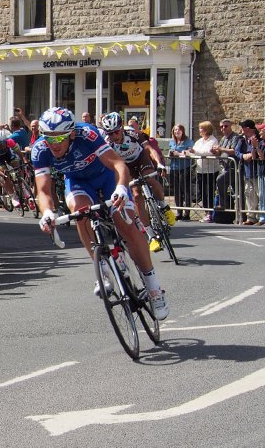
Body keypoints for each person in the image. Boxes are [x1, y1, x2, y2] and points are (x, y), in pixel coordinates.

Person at [33, 107, 169, 320]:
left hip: (108, 176)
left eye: (59, 137)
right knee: (79, 212)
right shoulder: (40, 149)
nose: (54, 144)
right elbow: (43, 189)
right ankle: (103, 269)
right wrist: (47, 212)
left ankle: (153, 287)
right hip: (78, 182)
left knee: (126, 223)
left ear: (71, 133)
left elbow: (118, 164)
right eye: (49, 138)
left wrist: (122, 188)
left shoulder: (87, 134)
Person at [99, 111, 174, 252]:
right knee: (136, 195)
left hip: (140, 159)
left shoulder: (133, 134)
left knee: (150, 179)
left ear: (121, 128)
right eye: (110, 133)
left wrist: (160, 164)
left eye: (116, 132)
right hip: (126, 166)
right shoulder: (108, 144)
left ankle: (164, 207)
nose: (114, 136)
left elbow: (149, 149)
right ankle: (151, 236)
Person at [188, 121, 220, 222]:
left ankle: (210, 213)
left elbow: (208, 152)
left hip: (210, 171)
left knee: (209, 192)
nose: (199, 130)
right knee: (202, 192)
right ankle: (206, 212)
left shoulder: (213, 140)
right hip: (200, 170)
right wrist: (189, 152)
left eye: (201, 128)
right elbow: (193, 151)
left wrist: (194, 152)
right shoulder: (200, 141)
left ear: (206, 130)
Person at [210, 119, 243, 214]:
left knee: (222, 181)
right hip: (225, 167)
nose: (223, 128)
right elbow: (220, 152)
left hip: (234, 167)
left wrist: (220, 149)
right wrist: (215, 152)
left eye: (226, 126)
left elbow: (234, 151)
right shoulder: (223, 138)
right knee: (235, 191)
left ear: (231, 126)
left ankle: (238, 211)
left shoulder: (235, 137)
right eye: (221, 126)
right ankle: (231, 210)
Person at [233, 120, 262, 225]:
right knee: (249, 194)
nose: (241, 129)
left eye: (242, 127)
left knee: (259, 194)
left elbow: (259, 150)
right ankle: (251, 217)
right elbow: (236, 151)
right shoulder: (241, 139)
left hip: (258, 171)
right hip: (247, 171)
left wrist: (250, 154)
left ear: (247, 128)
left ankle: (261, 216)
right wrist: (242, 156)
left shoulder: (257, 138)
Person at [0, 128, 25, 208]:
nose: (2, 145)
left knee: (17, 164)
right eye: (0, 143)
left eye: (3, 142)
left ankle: (23, 186)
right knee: (6, 175)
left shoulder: (9, 141)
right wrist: (3, 175)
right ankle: (13, 196)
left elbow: (18, 152)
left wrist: (25, 160)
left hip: (8, 155)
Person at [167, 123, 194, 221]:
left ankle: (186, 212)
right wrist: (171, 153)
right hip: (174, 168)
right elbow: (170, 152)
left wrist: (178, 153)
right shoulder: (172, 142)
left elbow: (189, 153)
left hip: (184, 167)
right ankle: (179, 212)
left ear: (182, 131)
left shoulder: (188, 141)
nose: (177, 131)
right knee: (177, 191)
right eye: (175, 130)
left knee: (185, 190)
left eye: (178, 130)